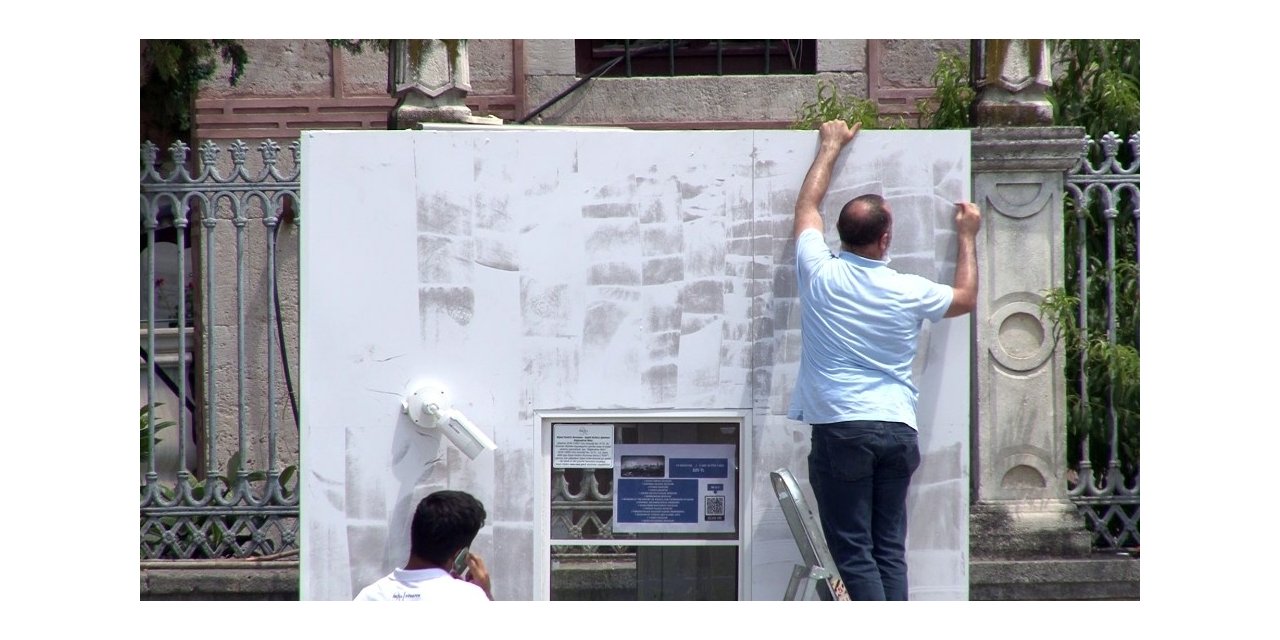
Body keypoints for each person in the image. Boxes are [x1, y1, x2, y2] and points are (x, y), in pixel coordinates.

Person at [787, 119, 980, 601]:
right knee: (889, 549)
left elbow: (807, 206)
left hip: (843, 428)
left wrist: (831, 145)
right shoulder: (908, 289)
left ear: (841, 234)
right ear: (885, 238)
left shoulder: (820, 272)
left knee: (854, 552)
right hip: (896, 428)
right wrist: (968, 235)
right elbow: (964, 298)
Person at [354, 489, 494, 601]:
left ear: (415, 530)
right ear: (459, 554)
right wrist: (486, 594)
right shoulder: (469, 597)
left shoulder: (369, 596)